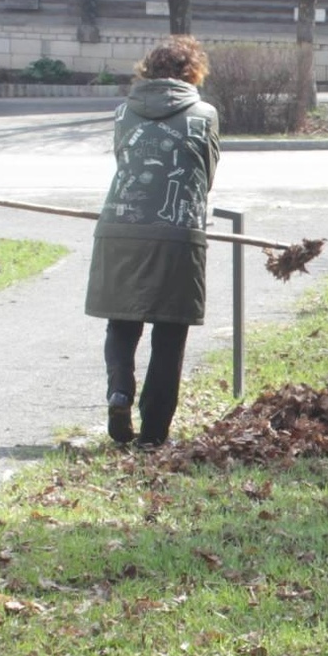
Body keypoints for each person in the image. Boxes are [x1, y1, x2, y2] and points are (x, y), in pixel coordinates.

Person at [89, 36, 220, 449]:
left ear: (146, 69)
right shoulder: (205, 114)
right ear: (193, 72)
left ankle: (119, 392)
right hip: (178, 230)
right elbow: (207, 172)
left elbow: (122, 160)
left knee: (121, 320)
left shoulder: (123, 112)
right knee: (170, 332)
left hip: (120, 225)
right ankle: (152, 433)